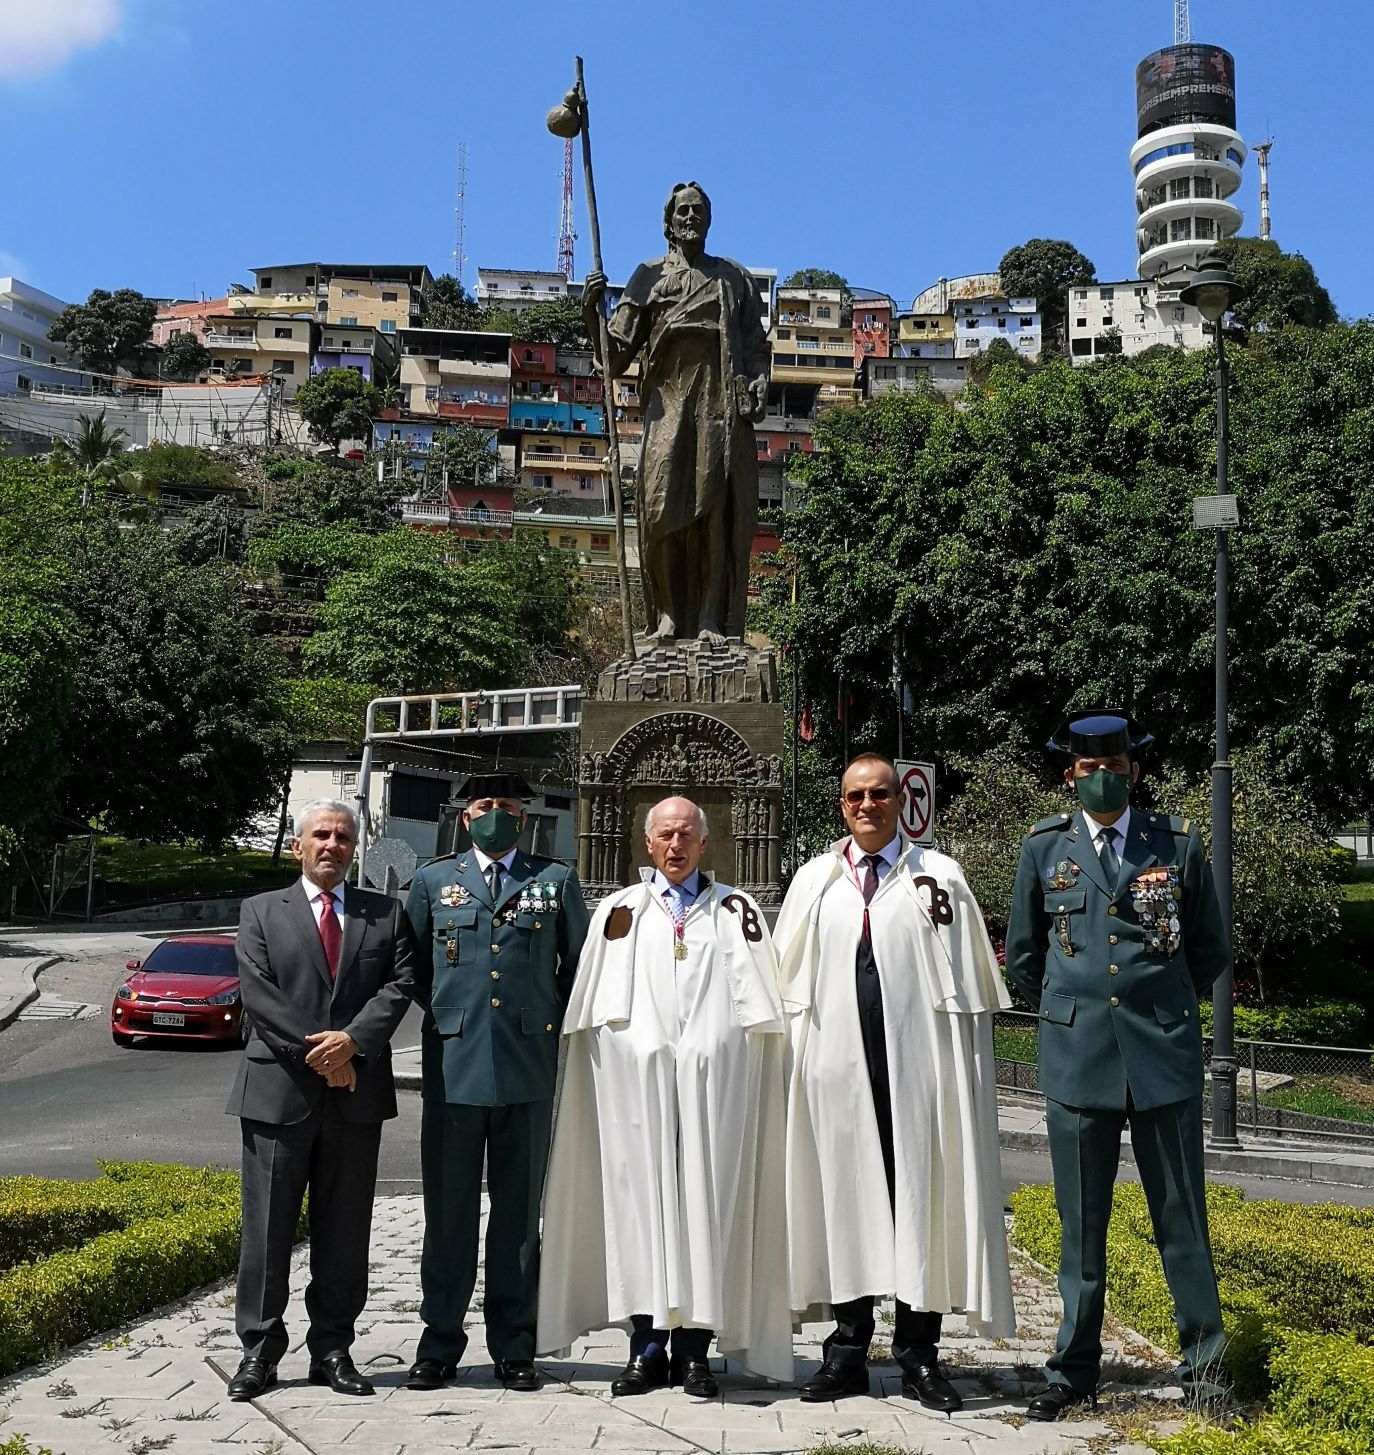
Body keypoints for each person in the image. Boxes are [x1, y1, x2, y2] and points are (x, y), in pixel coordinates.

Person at [1004, 710, 1230, 1421]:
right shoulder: (1044, 847)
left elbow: (1209, 946)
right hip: (1078, 1058)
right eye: (1088, 767)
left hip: (1161, 1052)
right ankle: (1073, 1370)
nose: (1102, 776)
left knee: (1183, 1220)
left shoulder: (1178, 843)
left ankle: (1205, 1371)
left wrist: (1159, 1002)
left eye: (1114, 765)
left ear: (1133, 769)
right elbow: (1024, 955)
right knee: (1081, 1227)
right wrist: (1073, 1010)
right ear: (1070, 773)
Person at [774, 753, 1014, 1410]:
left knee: (920, 1201)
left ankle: (918, 1356)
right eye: (856, 795)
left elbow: (967, 996)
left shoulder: (940, 878)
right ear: (842, 805)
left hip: (918, 1075)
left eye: (879, 794)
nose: (868, 805)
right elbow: (784, 987)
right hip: (835, 1076)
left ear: (900, 802)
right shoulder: (814, 881)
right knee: (843, 1200)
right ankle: (847, 1352)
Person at [537, 796, 792, 1396]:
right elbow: (595, 1009)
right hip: (636, 1088)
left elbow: (760, 1007)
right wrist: (634, 1050)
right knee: (639, 1207)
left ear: (704, 842)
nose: (675, 845)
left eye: (686, 835)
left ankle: (696, 1349)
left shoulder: (736, 909)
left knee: (708, 1202)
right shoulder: (619, 909)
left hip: (715, 1086)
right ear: (648, 843)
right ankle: (647, 1348)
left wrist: (717, 1047)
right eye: (665, 835)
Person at [403, 772, 589, 1393]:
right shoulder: (433, 881)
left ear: (523, 817)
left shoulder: (554, 881)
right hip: (452, 1069)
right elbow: (413, 965)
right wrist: (449, 1015)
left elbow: (578, 966)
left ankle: (514, 1345)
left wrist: (548, 1019)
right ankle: (439, 1344)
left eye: (507, 806)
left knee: (518, 1218)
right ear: (465, 817)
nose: (495, 814)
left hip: (526, 1067)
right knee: (448, 1215)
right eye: (484, 805)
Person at [225, 798, 416, 1401]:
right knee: (266, 1231)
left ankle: (332, 1349)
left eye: (342, 837)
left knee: (345, 1232)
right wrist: (325, 1056)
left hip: (356, 1097)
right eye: (321, 835)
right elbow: (259, 994)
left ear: (355, 848)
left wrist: (351, 1044)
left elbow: (401, 984)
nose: (331, 845)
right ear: (298, 846)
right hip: (278, 1095)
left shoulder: (385, 913)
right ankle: (259, 1352)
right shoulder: (260, 911)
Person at [581, 181, 770, 643]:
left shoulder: (733, 278)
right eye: (682, 211)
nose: (690, 217)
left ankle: (708, 619)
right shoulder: (647, 277)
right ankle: (666, 614)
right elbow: (614, 356)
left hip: (718, 406)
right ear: (669, 222)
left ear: (709, 219)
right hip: (666, 406)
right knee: (658, 508)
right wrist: (591, 314)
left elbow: (755, 347)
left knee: (712, 512)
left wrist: (759, 381)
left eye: (698, 210)